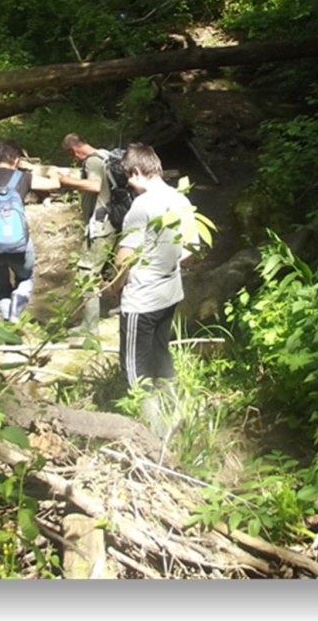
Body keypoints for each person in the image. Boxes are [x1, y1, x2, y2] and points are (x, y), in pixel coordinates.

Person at [110, 143, 200, 438]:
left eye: (129, 178)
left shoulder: (142, 206)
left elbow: (124, 258)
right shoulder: (180, 199)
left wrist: (115, 287)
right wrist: (165, 261)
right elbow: (192, 247)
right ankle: (176, 414)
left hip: (142, 299)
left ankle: (155, 436)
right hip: (170, 293)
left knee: (135, 370)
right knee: (161, 356)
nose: (129, 185)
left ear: (137, 171)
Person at [0, 140, 59, 322]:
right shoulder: (23, 177)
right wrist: (53, 173)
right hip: (20, 244)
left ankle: (8, 319)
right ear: (16, 159)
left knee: (0, 287)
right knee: (25, 278)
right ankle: (16, 311)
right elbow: (54, 185)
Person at [49, 133, 119, 333]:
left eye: (71, 156)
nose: (74, 159)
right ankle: (124, 308)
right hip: (114, 222)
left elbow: (95, 185)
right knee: (110, 269)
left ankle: (90, 326)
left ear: (73, 150)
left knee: (86, 272)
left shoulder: (92, 161)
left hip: (101, 225)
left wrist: (63, 180)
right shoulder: (106, 155)